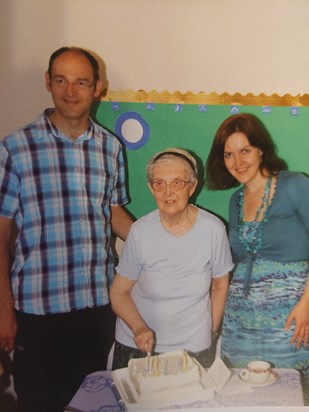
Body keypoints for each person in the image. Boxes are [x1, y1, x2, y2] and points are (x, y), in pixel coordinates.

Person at [0, 46, 133, 412]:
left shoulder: (110, 147)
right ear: (48, 82)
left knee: (96, 405)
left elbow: (115, 212)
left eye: (81, 82)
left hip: (97, 308)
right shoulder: (14, 149)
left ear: (98, 88)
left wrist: (161, 242)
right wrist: (3, 309)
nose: (70, 91)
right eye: (61, 80)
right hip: (38, 312)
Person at [205, 113, 309, 394]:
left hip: (291, 317)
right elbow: (233, 262)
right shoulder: (235, 200)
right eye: (228, 155)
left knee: (290, 392)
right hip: (241, 321)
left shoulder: (295, 184)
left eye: (245, 151)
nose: (237, 162)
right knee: (243, 393)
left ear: (261, 149)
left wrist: (306, 305)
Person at [110, 148, 233, 369]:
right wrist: (138, 327)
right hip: (138, 346)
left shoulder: (213, 229)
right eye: (159, 183)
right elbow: (119, 293)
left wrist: (211, 331)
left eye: (177, 183)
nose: (168, 192)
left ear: (192, 186)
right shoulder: (140, 232)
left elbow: (219, 285)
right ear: (151, 188)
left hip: (193, 348)